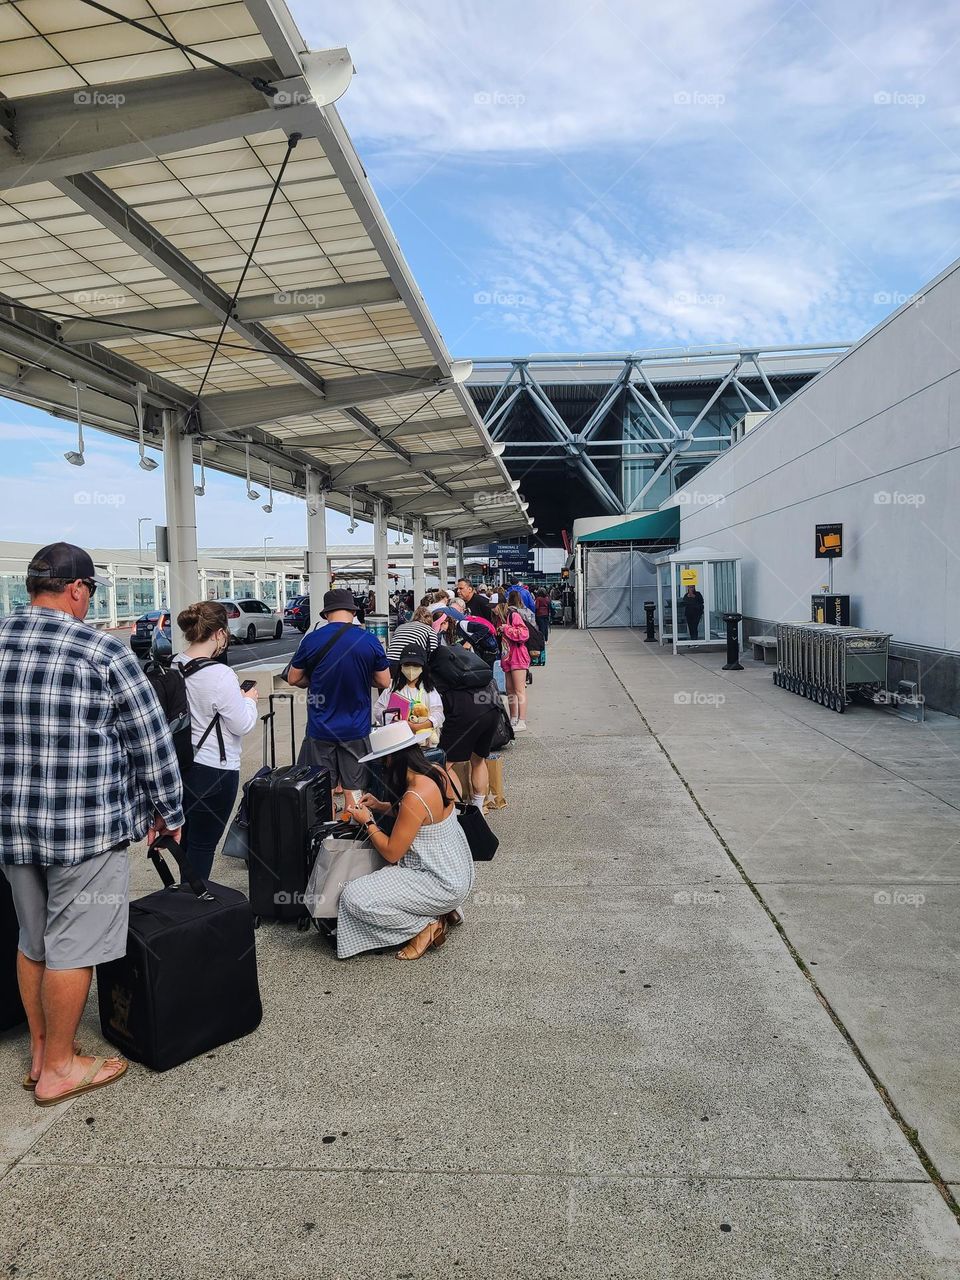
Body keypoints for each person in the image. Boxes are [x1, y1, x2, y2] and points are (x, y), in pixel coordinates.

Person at [0, 543, 184, 1106]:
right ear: (77, 589)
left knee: (32, 941)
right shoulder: (101, 652)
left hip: (11, 827)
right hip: (85, 828)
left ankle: (38, 1051)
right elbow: (150, 743)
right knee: (72, 949)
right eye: (93, 592)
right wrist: (169, 811)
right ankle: (59, 1066)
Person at [337, 724, 474, 960]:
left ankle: (424, 926)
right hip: (457, 872)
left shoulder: (414, 797)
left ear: (391, 758)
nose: (381, 767)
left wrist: (368, 821)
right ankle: (441, 911)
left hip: (438, 880)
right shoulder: (435, 771)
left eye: (382, 761)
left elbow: (392, 852)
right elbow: (421, 817)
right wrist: (381, 807)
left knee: (353, 897)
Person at [172, 601, 259, 879]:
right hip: (215, 771)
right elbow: (242, 724)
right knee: (203, 846)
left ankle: (183, 898)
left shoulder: (173, 665)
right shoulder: (220, 674)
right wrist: (249, 701)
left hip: (180, 766)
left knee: (185, 841)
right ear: (220, 634)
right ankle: (193, 907)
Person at [285, 588, 391, 809]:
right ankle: (354, 832)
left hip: (320, 729)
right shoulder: (369, 640)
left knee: (323, 789)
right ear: (353, 612)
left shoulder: (312, 640)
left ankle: (326, 836)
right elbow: (384, 681)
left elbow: (294, 678)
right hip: (356, 729)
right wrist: (363, 678)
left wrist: (313, 681)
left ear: (325, 615)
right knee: (354, 789)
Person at [374, 644, 444, 747]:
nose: (411, 669)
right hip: (397, 741)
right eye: (407, 665)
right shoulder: (392, 687)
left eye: (416, 665)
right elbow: (378, 710)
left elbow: (438, 714)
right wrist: (394, 719)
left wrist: (418, 726)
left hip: (423, 744)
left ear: (423, 667)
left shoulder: (429, 689)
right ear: (401, 666)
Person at [496, 600, 530, 730]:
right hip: (507, 657)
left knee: (519, 690)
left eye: (494, 607)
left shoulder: (513, 615)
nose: (493, 610)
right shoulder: (500, 618)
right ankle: (513, 718)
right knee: (510, 689)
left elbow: (524, 634)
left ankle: (522, 721)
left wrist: (507, 629)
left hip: (517, 656)